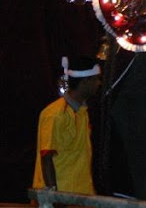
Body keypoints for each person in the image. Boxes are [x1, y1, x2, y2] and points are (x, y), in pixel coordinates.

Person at [32, 56, 102, 195]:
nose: (99, 83)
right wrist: (54, 198)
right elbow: (46, 157)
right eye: (96, 79)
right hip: (62, 197)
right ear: (85, 82)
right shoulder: (55, 114)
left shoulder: (82, 112)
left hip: (81, 195)